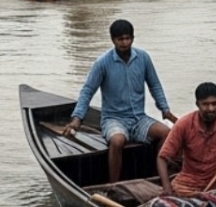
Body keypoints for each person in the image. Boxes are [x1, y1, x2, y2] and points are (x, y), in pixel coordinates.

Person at [62, 19, 177, 184]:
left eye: (127, 38)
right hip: (113, 119)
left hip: (139, 118)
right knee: (117, 141)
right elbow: (87, 91)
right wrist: (77, 119)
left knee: (166, 133)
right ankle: (114, 185)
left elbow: (155, 85)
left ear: (133, 38)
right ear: (113, 40)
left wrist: (165, 110)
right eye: (120, 39)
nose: (124, 42)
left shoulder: (143, 58)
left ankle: (159, 177)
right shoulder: (102, 63)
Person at [158, 82, 216, 199]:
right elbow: (162, 157)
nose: (211, 109)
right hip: (187, 186)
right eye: (205, 104)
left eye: (214, 104)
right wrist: (167, 188)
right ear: (197, 104)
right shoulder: (183, 124)